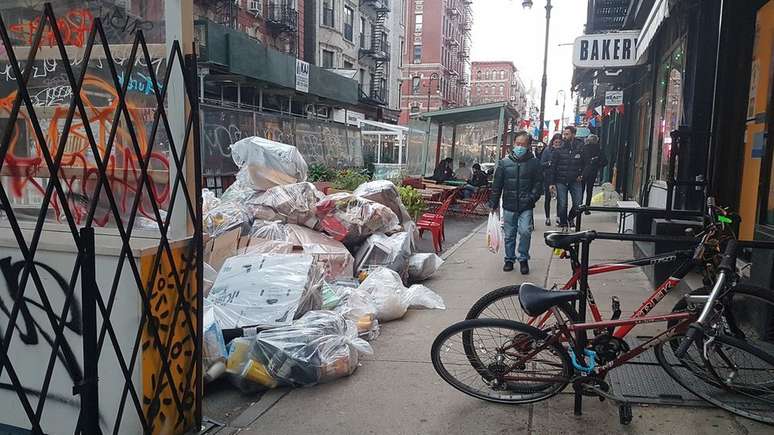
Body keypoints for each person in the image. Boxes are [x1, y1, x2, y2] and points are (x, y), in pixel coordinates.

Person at [488, 131, 543, 274]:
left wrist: (532, 197)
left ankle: (523, 258)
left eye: (523, 144)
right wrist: (493, 203)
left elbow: (538, 183)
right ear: (513, 144)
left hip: (526, 205)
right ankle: (509, 259)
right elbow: (497, 185)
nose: (520, 147)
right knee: (509, 234)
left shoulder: (534, 163)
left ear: (528, 146)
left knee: (525, 231)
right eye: (518, 144)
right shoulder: (504, 163)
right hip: (509, 204)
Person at [549, 127, 585, 230]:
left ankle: (570, 218)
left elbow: (585, 163)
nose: (564, 136)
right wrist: (551, 183)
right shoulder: (559, 149)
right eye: (564, 134)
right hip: (561, 180)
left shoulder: (581, 147)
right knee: (562, 203)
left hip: (575, 180)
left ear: (573, 134)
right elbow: (553, 167)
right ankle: (563, 223)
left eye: (567, 134)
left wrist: (582, 174)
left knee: (578, 203)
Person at [540, 134, 563, 226]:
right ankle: (547, 217)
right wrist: (549, 163)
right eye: (555, 141)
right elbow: (541, 163)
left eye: (559, 142)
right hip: (548, 177)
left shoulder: (563, 151)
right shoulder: (547, 150)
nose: (557, 143)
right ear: (552, 141)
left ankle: (558, 217)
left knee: (560, 199)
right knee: (548, 198)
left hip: (560, 177)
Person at [581, 134, 608, 207]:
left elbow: (580, 160)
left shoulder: (583, 148)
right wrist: (597, 166)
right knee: (589, 190)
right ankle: (587, 207)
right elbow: (605, 161)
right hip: (593, 172)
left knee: (581, 190)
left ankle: (579, 206)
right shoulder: (598, 149)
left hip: (583, 171)